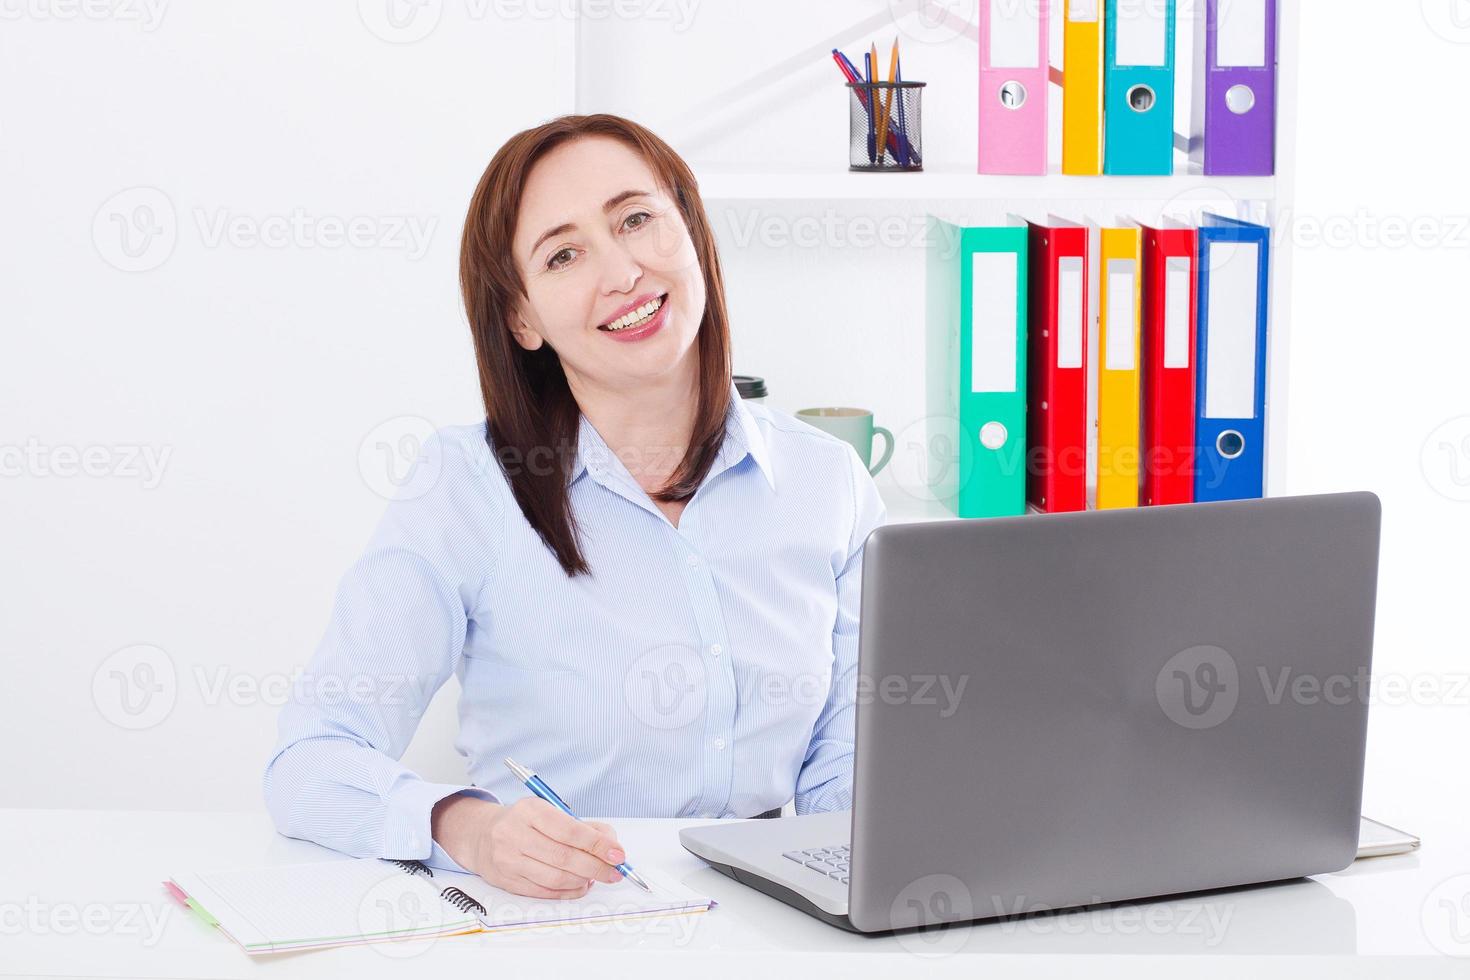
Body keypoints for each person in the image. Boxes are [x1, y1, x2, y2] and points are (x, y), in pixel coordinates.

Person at [263, 114, 886, 900]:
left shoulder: (826, 482)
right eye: (564, 254)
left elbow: (851, 780)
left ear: (690, 231)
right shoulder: (465, 487)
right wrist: (472, 828)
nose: (622, 271)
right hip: (562, 921)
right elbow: (310, 759)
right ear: (521, 317)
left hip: (771, 922)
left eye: (636, 219)